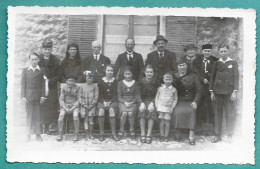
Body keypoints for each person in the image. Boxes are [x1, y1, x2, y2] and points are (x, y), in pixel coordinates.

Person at [209, 44, 239, 143]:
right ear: (219, 52)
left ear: (228, 51)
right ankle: (217, 135)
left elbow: (236, 78)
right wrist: (211, 91)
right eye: (221, 51)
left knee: (229, 114)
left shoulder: (233, 63)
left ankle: (229, 135)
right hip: (217, 92)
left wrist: (234, 91)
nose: (223, 53)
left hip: (229, 92)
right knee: (217, 114)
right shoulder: (216, 63)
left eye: (225, 51)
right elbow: (212, 78)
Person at [173, 58, 201, 145]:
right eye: (180, 65)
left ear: (187, 66)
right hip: (179, 101)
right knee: (177, 111)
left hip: (190, 101)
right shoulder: (174, 77)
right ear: (177, 67)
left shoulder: (193, 76)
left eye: (183, 65)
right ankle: (178, 131)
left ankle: (191, 133)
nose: (182, 67)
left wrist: (195, 101)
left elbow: (199, 90)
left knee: (191, 111)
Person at [21, 53, 46, 141]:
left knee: (38, 115)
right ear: (29, 60)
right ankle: (28, 134)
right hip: (29, 97)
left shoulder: (42, 70)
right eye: (32, 59)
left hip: (38, 97)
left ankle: (38, 134)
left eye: (36, 59)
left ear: (38, 60)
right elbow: (23, 84)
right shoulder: (25, 70)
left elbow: (44, 84)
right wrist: (23, 96)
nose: (34, 61)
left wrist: (43, 96)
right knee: (29, 116)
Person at [193, 44, 218, 129]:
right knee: (199, 107)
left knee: (210, 107)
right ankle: (199, 127)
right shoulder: (196, 60)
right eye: (205, 51)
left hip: (210, 88)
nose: (207, 53)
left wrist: (210, 79)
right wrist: (202, 79)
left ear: (211, 52)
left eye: (208, 51)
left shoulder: (215, 60)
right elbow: (195, 72)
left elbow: (217, 74)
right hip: (199, 86)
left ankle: (211, 127)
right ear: (202, 51)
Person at [38, 39, 60, 134]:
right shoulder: (38, 59)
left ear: (51, 50)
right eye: (45, 49)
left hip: (52, 86)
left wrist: (50, 81)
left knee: (51, 106)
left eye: (49, 49)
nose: (47, 51)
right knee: (41, 105)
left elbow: (58, 75)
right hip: (41, 86)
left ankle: (49, 127)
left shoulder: (56, 60)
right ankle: (40, 126)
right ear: (43, 49)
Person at [117, 66, 142, 139]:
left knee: (130, 113)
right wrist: (124, 102)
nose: (127, 76)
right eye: (126, 74)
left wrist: (132, 102)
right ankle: (121, 130)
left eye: (129, 74)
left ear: (132, 74)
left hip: (133, 102)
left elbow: (137, 95)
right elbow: (119, 96)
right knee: (124, 113)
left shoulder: (136, 83)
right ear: (123, 74)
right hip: (122, 102)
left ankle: (132, 130)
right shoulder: (120, 83)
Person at [138, 64, 160, 144]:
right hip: (143, 101)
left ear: (153, 73)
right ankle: (142, 133)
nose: (149, 74)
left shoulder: (156, 82)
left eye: (151, 72)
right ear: (145, 72)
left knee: (152, 111)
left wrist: (152, 103)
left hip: (152, 101)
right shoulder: (141, 81)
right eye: (147, 72)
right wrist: (141, 103)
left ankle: (149, 134)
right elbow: (138, 93)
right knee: (142, 110)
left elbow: (158, 94)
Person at [97, 65, 119, 141]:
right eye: (108, 70)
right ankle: (101, 133)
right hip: (102, 101)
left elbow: (116, 94)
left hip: (113, 101)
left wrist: (111, 101)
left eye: (111, 71)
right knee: (101, 111)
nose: (110, 72)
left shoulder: (116, 81)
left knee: (111, 110)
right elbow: (99, 93)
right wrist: (103, 101)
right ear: (105, 71)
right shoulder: (100, 81)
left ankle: (113, 133)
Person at [155, 72, 178, 142]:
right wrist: (157, 106)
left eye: (169, 79)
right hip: (161, 107)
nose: (168, 81)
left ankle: (166, 136)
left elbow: (175, 99)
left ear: (172, 80)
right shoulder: (160, 88)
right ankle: (162, 135)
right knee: (161, 122)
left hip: (168, 108)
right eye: (166, 79)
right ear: (163, 80)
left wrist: (172, 107)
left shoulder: (174, 89)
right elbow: (157, 97)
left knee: (167, 122)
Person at [57, 75, 80, 142]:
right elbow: (61, 99)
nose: (71, 82)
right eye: (69, 80)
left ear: (75, 81)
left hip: (74, 106)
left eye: (72, 81)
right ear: (66, 81)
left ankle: (76, 134)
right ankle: (60, 133)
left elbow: (79, 99)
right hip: (65, 106)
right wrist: (64, 107)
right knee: (61, 115)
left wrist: (73, 107)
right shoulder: (64, 88)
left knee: (75, 115)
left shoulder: (77, 88)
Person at [79, 71, 99, 140]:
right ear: (85, 78)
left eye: (91, 78)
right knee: (86, 119)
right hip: (84, 106)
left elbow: (96, 96)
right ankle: (86, 133)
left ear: (93, 78)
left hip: (92, 106)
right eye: (88, 78)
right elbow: (80, 96)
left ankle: (91, 133)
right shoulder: (82, 86)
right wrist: (84, 104)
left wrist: (92, 105)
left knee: (91, 119)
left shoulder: (95, 86)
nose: (89, 79)